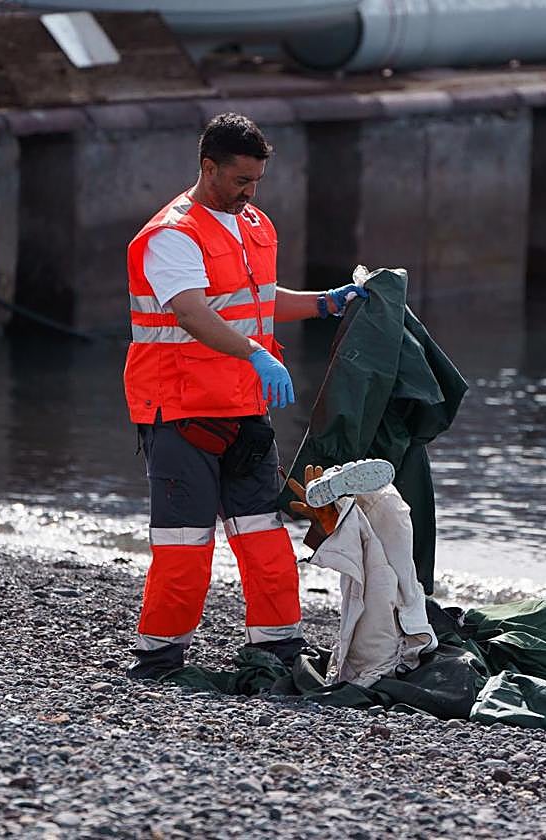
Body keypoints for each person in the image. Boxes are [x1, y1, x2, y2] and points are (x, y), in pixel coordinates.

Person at [124, 112, 365, 679]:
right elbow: (191, 311)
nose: (250, 192)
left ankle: (279, 647)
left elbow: (257, 300)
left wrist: (324, 302)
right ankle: (160, 656)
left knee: (266, 538)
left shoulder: (255, 224)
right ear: (208, 168)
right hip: (180, 411)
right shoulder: (171, 235)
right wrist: (256, 354)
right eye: (239, 181)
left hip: (244, 408)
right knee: (184, 545)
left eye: (256, 181)